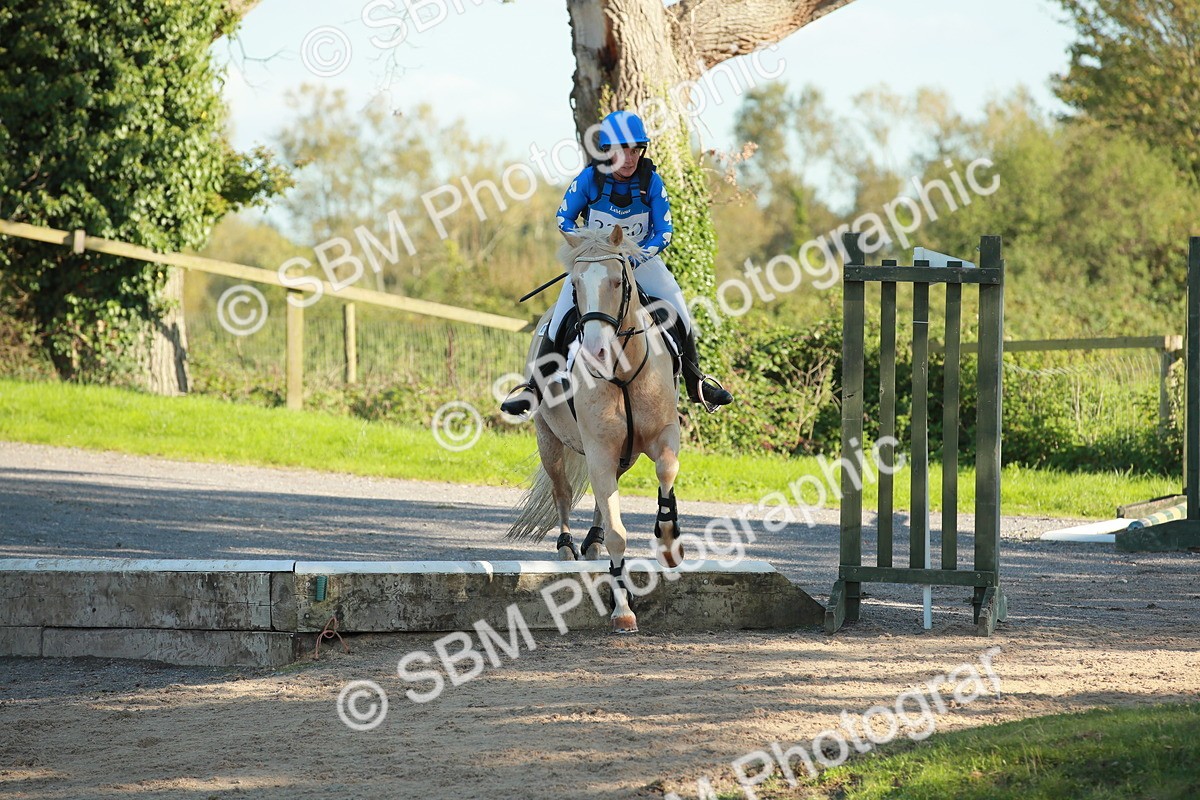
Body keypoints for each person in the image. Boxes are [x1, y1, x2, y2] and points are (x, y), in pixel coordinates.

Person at [501, 110, 733, 416]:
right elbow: (563, 218)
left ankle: (696, 383)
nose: (630, 157)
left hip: (640, 262)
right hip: (595, 265)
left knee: (678, 306)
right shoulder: (589, 180)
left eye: (635, 150)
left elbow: (665, 231)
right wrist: (590, 251)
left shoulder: (652, 182)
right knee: (559, 316)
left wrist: (636, 255)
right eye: (623, 150)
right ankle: (534, 388)